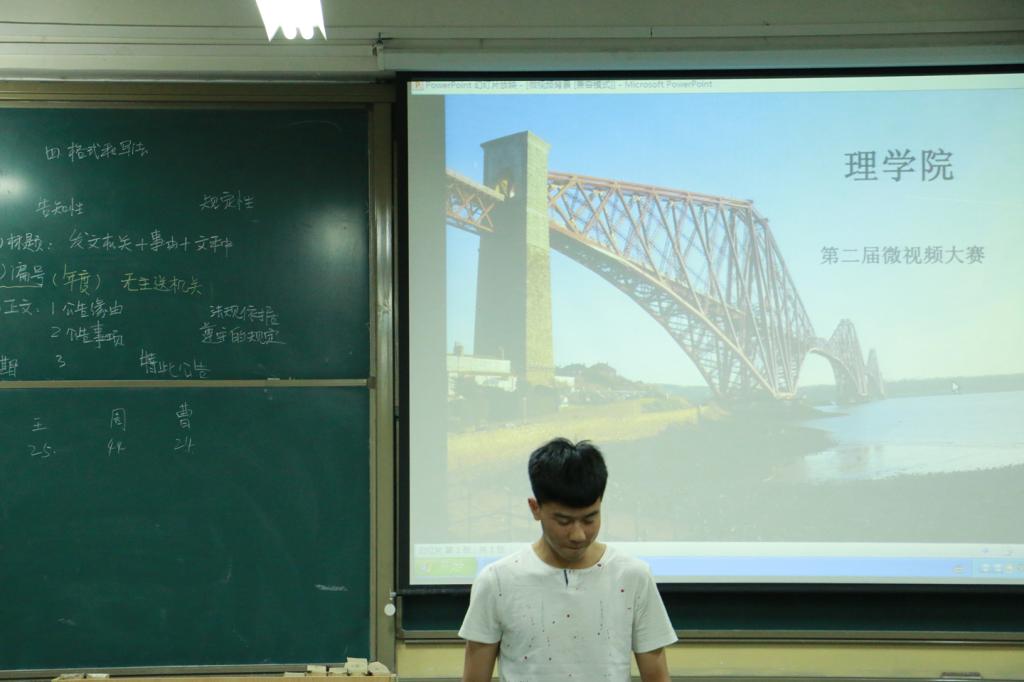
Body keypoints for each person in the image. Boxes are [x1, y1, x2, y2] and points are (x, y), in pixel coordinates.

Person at [459, 437, 676, 682]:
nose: (578, 535)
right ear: (535, 508)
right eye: (563, 521)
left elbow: (657, 676)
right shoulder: (497, 581)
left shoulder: (633, 576)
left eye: (590, 519)